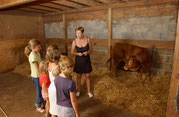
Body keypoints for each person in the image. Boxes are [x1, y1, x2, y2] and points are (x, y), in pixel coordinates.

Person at [71, 27, 93, 98]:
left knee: (88, 76)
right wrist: (78, 54)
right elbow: (72, 52)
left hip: (86, 60)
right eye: (76, 33)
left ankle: (89, 91)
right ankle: (78, 91)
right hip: (79, 61)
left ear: (82, 33)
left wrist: (88, 52)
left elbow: (91, 49)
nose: (77, 35)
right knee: (78, 76)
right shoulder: (74, 41)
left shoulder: (88, 39)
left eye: (79, 33)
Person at [24, 39, 45, 113]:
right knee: (39, 91)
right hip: (36, 76)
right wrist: (43, 73)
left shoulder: (37, 53)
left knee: (42, 89)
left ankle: (43, 103)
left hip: (39, 75)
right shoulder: (32, 56)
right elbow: (37, 68)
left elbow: (40, 63)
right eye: (39, 47)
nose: (40, 48)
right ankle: (38, 105)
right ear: (33, 47)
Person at [46, 45, 60, 117]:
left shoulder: (50, 63)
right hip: (57, 88)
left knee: (54, 109)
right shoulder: (57, 66)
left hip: (51, 87)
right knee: (57, 110)